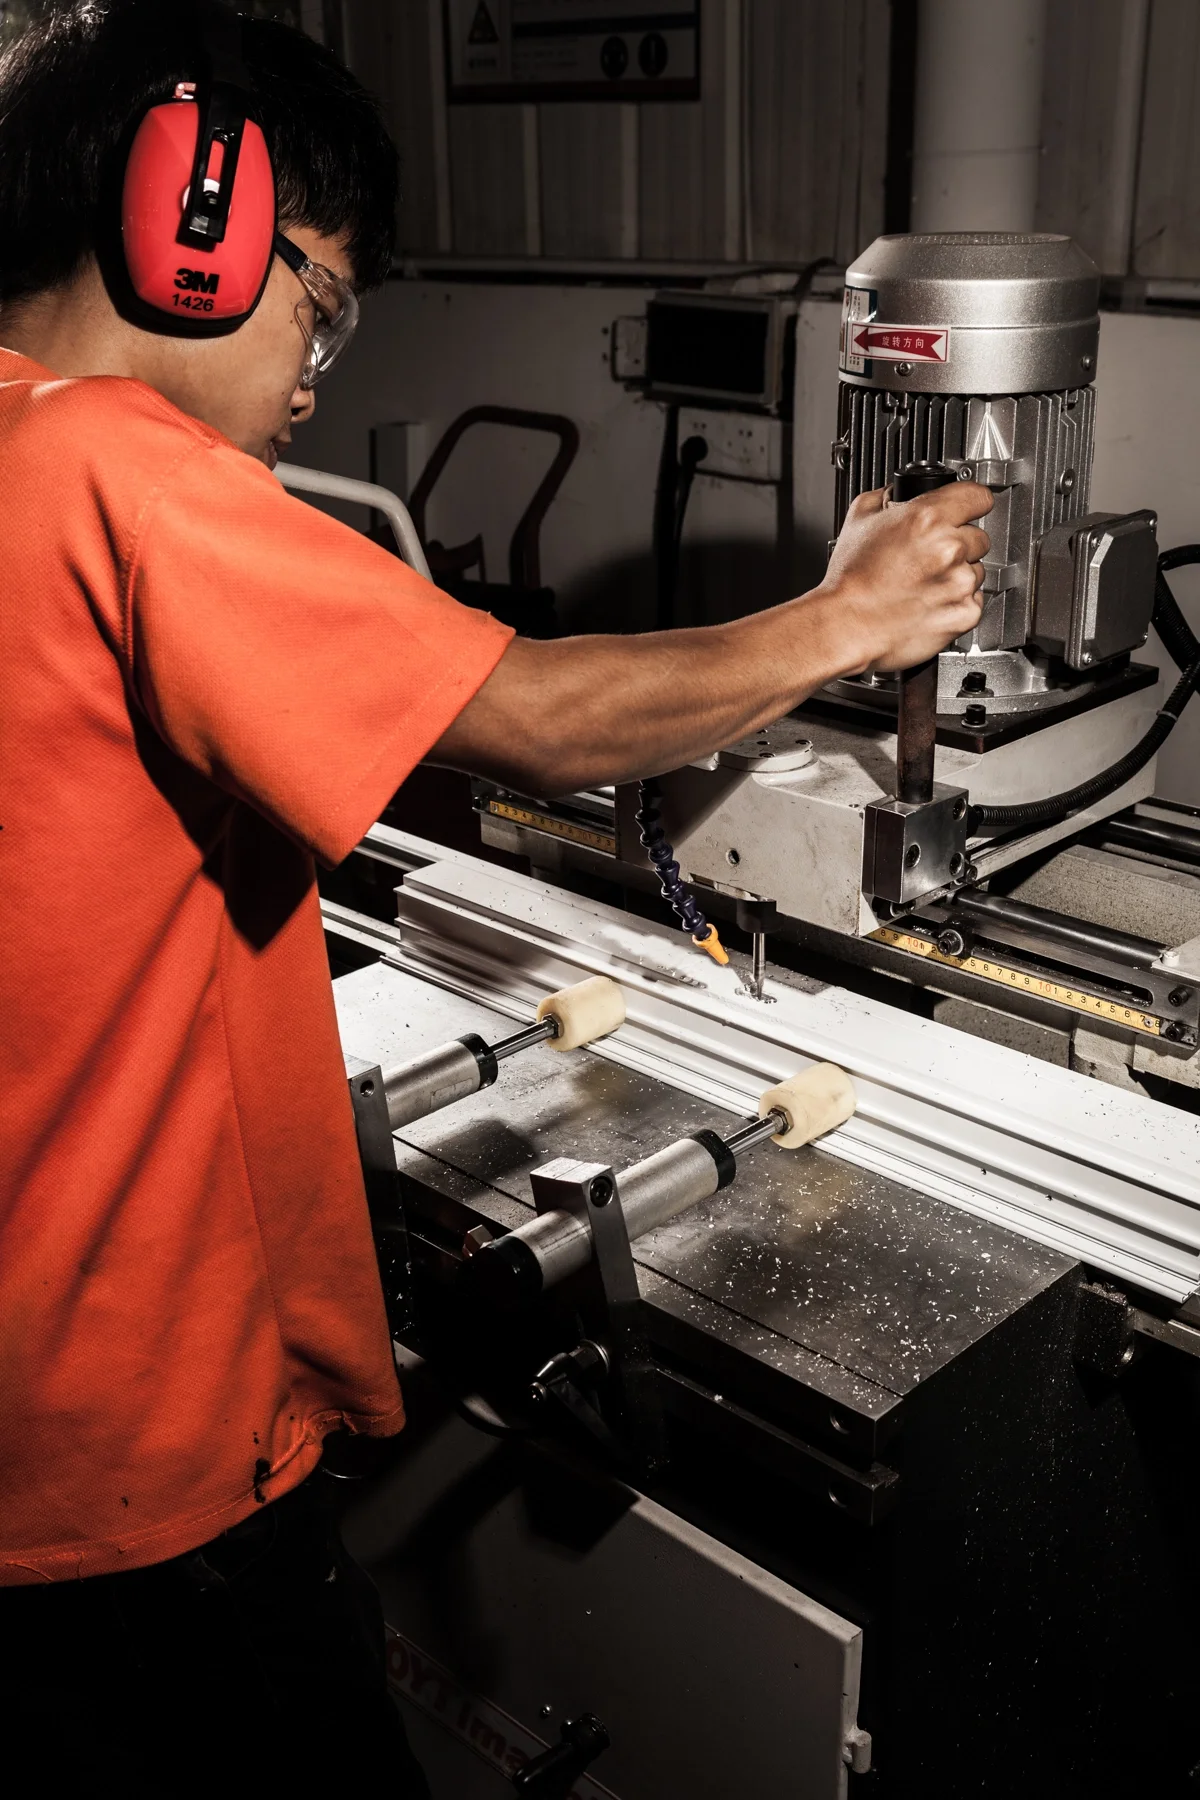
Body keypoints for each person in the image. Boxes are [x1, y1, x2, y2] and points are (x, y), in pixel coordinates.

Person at [0, 0, 991, 1788]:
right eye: (323, 297)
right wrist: (852, 615)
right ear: (193, 226)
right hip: (125, 1433)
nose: (317, 375)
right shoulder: (110, 468)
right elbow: (528, 722)